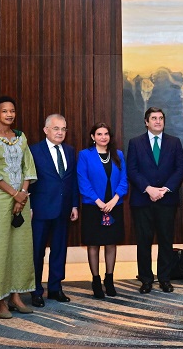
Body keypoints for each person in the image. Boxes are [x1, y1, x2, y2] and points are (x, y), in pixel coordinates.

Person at [0, 96, 37, 319]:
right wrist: (14, 194)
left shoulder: (20, 137)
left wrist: (22, 195)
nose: (9, 114)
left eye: (12, 110)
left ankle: (16, 296)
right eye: (4, 111)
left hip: (22, 199)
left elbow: (28, 167)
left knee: (20, 248)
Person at [126, 107, 183, 294]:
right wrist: (148, 189)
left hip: (166, 200)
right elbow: (132, 170)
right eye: (154, 118)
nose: (158, 121)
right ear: (146, 122)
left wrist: (165, 189)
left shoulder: (174, 142)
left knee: (166, 241)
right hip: (143, 200)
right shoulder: (135, 143)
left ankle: (165, 279)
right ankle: (146, 279)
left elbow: (179, 169)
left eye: (160, 118)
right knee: (143, 242)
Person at [28, 114, 79, 307]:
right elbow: (28, 179)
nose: (60, 132)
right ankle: (35, 291)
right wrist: (29, 206)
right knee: (37, 252)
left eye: (63, 129)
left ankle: (55, 288)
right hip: (40, 210)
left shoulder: (70, 150)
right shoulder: (33, 151)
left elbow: (72, 180)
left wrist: (74, 204)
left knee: (59, 250)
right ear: (46, 130)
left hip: (63, 209)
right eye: (56, 128)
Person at [77, 123, 128, 299]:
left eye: (106, 134)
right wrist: (99, 202)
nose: (103, 137)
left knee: (111, 243)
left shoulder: (118, 155)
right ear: (93, 137)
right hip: (93, 206)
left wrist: (114, 200)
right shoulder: (85, 155)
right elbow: (83, 181)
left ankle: (109, 279)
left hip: (114, 206)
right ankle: (96, 281)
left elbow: (124, 180)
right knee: (93, 244)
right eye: (99, 134)